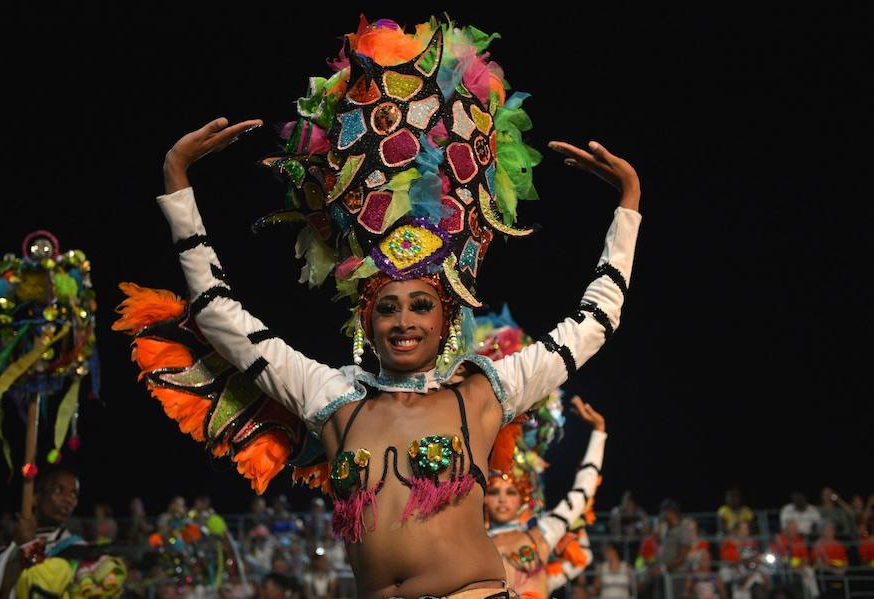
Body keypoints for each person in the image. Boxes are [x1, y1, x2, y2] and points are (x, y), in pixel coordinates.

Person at [118, 16, 641, 599]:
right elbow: (220, 318)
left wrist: (628, 205)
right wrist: (177, 186)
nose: (404, 321)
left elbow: (597, 320)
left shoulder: (484, 391)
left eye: (420, 306)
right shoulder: (331, 397)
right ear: (365, 319)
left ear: (446, 319)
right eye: (387, 308)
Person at [485, 397, 605, 599]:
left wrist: (599, 432)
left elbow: (582, 492)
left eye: (511, 492)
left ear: (522, 498)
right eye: (494, 492)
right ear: (484, 499)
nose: (502, 499)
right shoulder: (476, 541)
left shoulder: (541, 535)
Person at [0, 469, 127, 599]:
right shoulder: (1, 555)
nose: (68, 499)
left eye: (74, 494)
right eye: (58, 491)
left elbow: (40, 585)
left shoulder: (77, 551)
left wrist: (29, 545)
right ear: (35, 498)